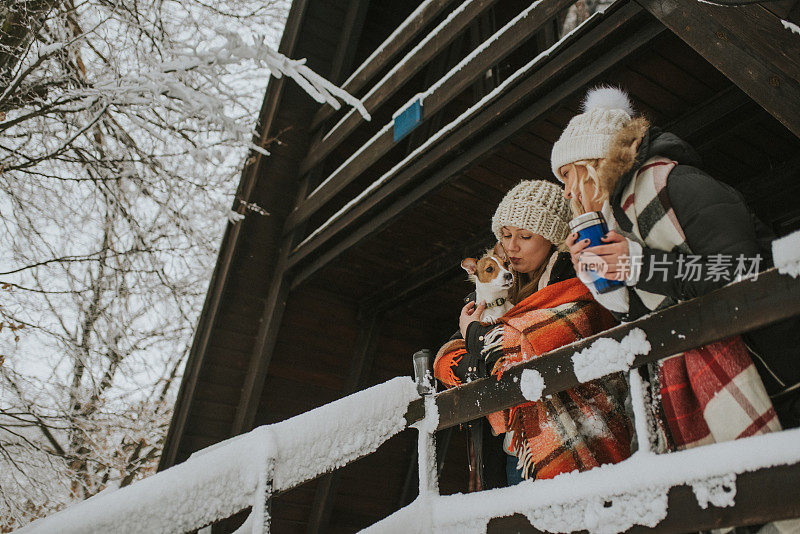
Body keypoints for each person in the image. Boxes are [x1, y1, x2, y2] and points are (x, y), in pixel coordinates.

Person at [551, 86, 796, 454]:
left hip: (777, 378)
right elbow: (646, 319)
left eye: (568, 174)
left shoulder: (680, 184)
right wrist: (603, 279)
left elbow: (744, 270)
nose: (568, 192)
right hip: (721, 392)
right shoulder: (618, 225)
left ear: (595, 163)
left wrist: (639, 265)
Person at [433, 180, 632, 487]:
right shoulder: (493, 289)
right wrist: (474, 360)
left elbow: (513, 352)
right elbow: (445, 358)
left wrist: (474, 335)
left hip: (576, 439)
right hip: (516, 451)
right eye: (506, 235)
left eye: (525, 236)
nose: (512, 247)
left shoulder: (576, 283)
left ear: (552, 238)